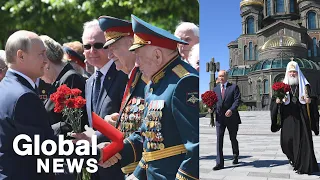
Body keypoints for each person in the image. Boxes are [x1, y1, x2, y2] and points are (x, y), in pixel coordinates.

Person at [0, 30, 103, 180]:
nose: (45, 60)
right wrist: (97, 153)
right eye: (41, 54)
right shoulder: (24, 96)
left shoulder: (6, 87)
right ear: (21, 56)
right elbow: (47, 146)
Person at [123, 15, 199, 180]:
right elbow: (150, 141)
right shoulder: (153, 84)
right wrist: (137, 175)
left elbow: (196, 148)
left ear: (157, 56)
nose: (136, 63)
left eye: (139, 56)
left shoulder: (185, 82)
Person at [98, 15, 147, 175]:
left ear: (131, 43)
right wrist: (118, 121)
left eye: (114, 48)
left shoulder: (146, 79)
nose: (110, 55)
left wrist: (113, 150)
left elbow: (153, 131)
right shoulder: (132, 78)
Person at [82, 19, 128, 180]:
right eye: (87, 46)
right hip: (97, 168)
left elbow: (126, 122)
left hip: (119, 165)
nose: (92, 50)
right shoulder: (89, 82)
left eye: (98, 45)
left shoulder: (123, 75)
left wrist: (94, 141)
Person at [270, 60, 319, 174]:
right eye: (291, 72)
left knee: (303, 142)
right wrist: (277, 102)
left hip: (302, 118)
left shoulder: (305, 86)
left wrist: (310, 100)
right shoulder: (282, 87)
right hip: (288, 118)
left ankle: (303, 165)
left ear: (298, 72)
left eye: (294, 72)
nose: (292, 74)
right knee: (286, 142)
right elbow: (274, 102)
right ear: (287, 73)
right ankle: (293, 159)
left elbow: (314, 99)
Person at [210, 70, 241, 171]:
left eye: (223, 76)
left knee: (233, 138)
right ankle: (219, 163)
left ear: (226, 77)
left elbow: (237, 100)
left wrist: (231, 110)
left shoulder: (233, 87)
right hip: (219, 118)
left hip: (232, 118)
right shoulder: (215, 89)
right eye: (219, 76)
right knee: (219, 139)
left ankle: (235, 154)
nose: (221, 78)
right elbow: (214, 102)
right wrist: (211, 108)